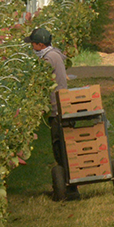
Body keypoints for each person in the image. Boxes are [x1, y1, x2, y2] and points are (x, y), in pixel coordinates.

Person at [26, 26, 74, 196]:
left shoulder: (48, 60)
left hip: (57, 108)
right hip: (64, 105)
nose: (32, 48)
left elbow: (42, 83)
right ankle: (69, 183)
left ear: (40, 45)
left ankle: (69, 186)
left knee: (59, 147)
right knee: (64, 145)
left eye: (33, 44)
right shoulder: (56, 54)